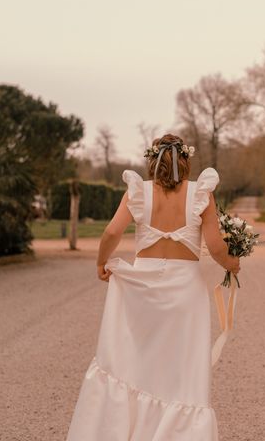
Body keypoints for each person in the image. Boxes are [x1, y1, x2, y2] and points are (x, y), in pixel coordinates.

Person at [67, 134, 239, 440]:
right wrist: (232, 264)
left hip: (141, 288)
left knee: (137, 362)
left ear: (152, 161)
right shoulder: (201, 193)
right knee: (180, 370)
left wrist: (101, 262)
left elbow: (111, 232)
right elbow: (215, 245)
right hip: (185, 290)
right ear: (186, 162)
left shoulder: (138, 192)